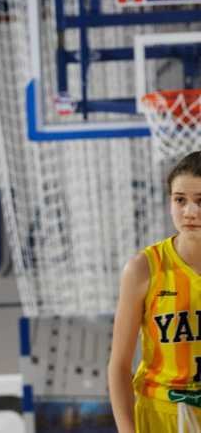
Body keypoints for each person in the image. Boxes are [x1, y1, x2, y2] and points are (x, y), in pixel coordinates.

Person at [109, 150, 201, 432]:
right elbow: (119, 366)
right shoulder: (144, 268)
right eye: (180, 200)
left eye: (200, 201)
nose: (190, 212)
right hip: (162, 415)